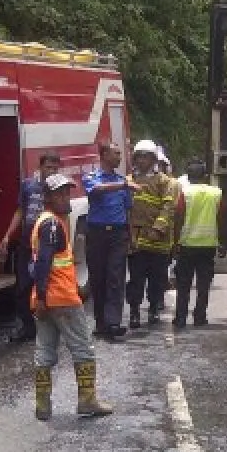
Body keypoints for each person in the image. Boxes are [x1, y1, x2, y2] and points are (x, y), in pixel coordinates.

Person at [31, 174, 114, 420]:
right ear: (48, 198)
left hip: (47, 299)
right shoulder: (52, 225)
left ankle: (42, 405)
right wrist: (44, 297)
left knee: (45, 350)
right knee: (83, 349)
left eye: (67, 193)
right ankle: (87, 401)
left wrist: (41, 299)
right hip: (62, 299)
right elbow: (44, 262)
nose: (66, 198)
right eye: (60, 194)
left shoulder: (45, 221)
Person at [0, 152, 62, 341]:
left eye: (55, 168)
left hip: (47, 244)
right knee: (23, 287)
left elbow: (63, 215)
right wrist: (7, 236)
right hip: (27, 243)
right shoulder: (28, 185)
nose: (51, 171)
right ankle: (27, 327)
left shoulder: (58, 188)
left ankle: (51, 327)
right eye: (48, 167)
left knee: (47, 286)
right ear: (40, 167)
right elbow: (20, 211)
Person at [82, 143, 139, 340]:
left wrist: (131, 237)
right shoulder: (92, 177)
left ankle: (113, 322)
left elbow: (128, 211)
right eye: (116, 154)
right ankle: (101, 323)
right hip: (97, 233)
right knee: (98, 278)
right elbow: (96, 190)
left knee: (116, 277)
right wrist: (124, 186)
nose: (119, 157)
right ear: (104, 155)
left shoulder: (122, 181)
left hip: (118, 234)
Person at [126, 140, 177, 327]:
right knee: (136, 279)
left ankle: (154, 308)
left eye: (145, 156)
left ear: (154, 159)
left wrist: (158, 228)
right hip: (136, 240)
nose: (141, 160)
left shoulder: (165, 182)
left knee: (157, 279)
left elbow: (168, 207)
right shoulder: (128, 181)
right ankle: (134, 312)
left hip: (158, 241)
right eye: (138, 156)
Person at [173, 159, 223, 328]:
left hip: (187, 245)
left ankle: (180, 318)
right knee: (204, 284)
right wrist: (221, 241)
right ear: (205, 176)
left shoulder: (185, 193)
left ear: (188, 176)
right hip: (208, 246)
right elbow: (220, 218)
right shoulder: (216, 193)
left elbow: (179, 218)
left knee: (183, 284)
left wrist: (175, 242)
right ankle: (200, 317)